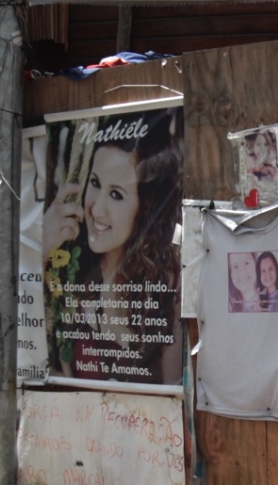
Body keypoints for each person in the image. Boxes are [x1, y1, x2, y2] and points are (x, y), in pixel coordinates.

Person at [44, 109, 185, 386]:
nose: (96, 208)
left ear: (145, 207)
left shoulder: (166, 283)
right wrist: (42, 248)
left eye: (116, 194)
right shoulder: (68, 263)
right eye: (95, 184)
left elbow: (173, 389)